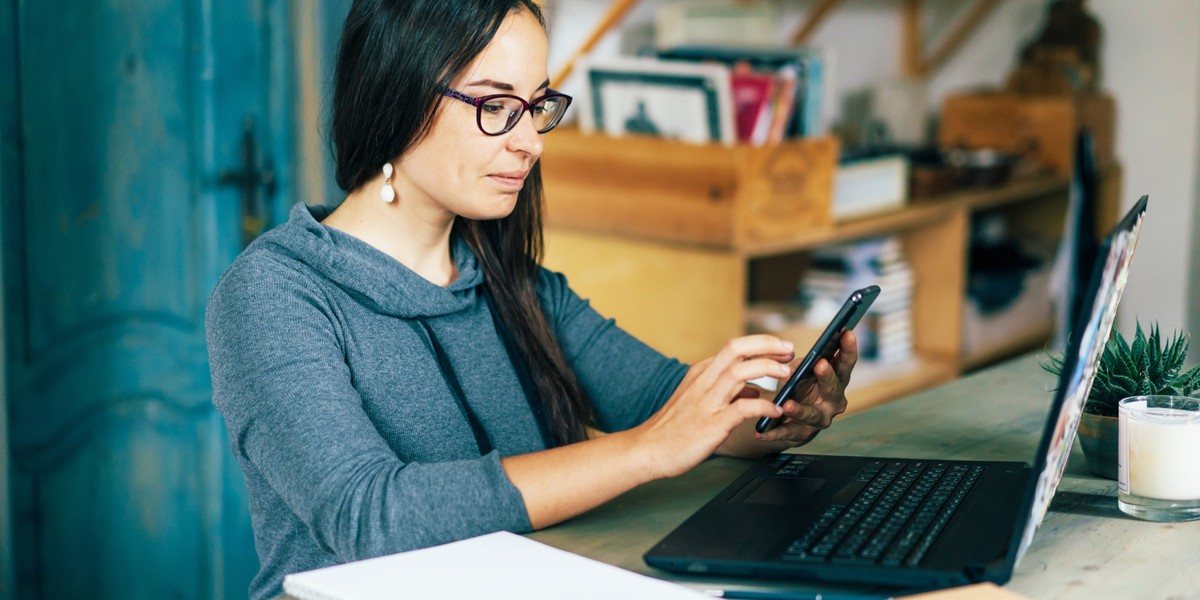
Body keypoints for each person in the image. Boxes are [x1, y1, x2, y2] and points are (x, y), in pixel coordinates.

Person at [204, 1, 858, 598]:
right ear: (395, 95)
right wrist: (644, 449)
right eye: (495, 106)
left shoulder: (515, 281)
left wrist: (777, 415)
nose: (530, 141)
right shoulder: (274, 295)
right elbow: (371, 517)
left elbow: (674, 407)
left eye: (536, 105)